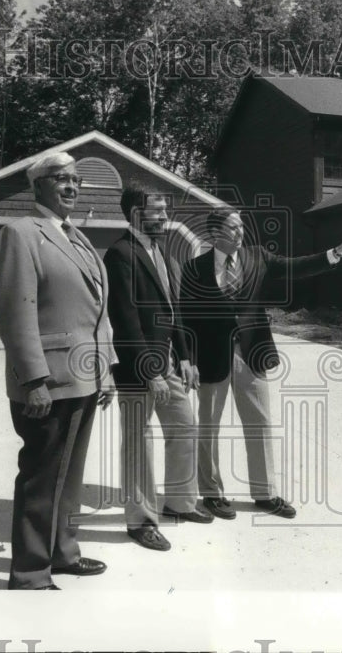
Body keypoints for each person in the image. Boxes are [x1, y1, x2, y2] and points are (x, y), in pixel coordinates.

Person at [179, 207, 342, 519]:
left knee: (260, 423)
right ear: (214, 234)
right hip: (211, 357)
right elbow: (186, 318)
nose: (239, 234)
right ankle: (212, 493)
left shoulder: (257, 257)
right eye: (231, 229)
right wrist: (187, 359)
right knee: (209, 426)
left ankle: (265, 493)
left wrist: (336, 252)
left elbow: (296, 266)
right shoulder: (194, 268)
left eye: (240, 228)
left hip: (251, 354)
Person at [0, 151, 118, 590]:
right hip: (49, 381)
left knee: (69, 479)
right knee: (42, 479)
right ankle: (29, 573)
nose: (71, 187)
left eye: (76, 180)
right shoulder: (21, 232)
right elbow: (14, 312)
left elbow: (96, 312)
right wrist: (34, 380)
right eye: (61, 179)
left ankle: (63, 553)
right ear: (38, 186)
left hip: (84, 377)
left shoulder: (75, 236)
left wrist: (107, 369)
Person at [103, 184, 212, 552]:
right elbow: (126, 318)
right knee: (138, 442)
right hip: (138, 367)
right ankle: (141, 521)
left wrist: (184, 356)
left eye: (166, 211)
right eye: (159, 211)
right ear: (136, 214)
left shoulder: (159, 250)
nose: (166, 217)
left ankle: (180, 503)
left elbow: (172, 308)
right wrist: (150, 370)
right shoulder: (119, 254)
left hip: (167, 360)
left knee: (185, 426)